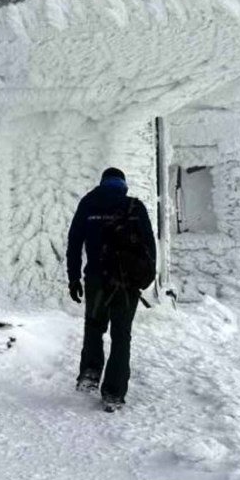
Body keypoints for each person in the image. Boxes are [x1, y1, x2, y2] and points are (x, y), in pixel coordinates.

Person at [66, 167, 156, 408]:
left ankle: (90, 374)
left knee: (94, 327)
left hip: (96, 280)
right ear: (123, 186)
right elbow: (150, 245)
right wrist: (144, 280)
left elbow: (74, 242)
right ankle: (114, 393)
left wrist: (73, 277)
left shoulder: (89, 204)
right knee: (121, 335)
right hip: (127, 283)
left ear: (102, 183)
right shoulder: (135, 207)